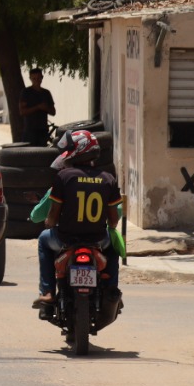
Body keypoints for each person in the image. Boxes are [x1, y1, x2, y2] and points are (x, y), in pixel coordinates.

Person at [33, 130, 123, 308]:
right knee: (113, 246)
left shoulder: (64, 176)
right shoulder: (108, 179)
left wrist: (49, 224)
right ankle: (112, 289)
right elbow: (113, 221)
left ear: (79, 149)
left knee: (43, 240)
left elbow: (53, 215)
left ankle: (48, 291)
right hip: (97, 239)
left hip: (65, 239)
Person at [18, 68, 56, 146]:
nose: (36, 80)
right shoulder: (26, 92)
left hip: (43, 130)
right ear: (30, 79)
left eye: (38, 78)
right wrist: (37, 107)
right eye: (34, 78)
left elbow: (53, 112)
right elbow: (22, 112)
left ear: (42, 78)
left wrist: (46, 108)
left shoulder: (46, 93)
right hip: (29, 131)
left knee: (41, 155)